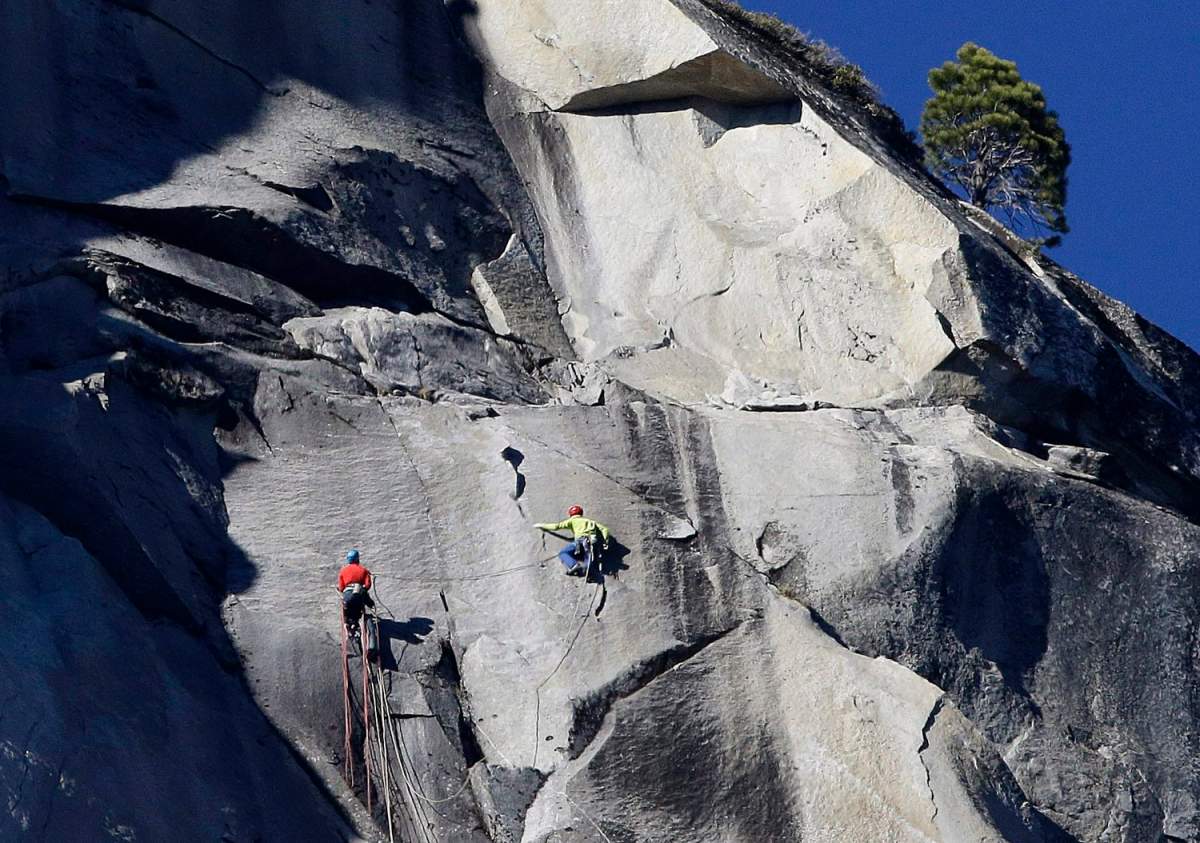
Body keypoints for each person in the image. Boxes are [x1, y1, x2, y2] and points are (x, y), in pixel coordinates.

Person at [534, 505, 612, 576]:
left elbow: (556, 526)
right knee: (588, 557)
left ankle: (573, 565)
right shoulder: (590, 521)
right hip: (591, 543)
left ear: (571, 514)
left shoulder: (572, 521)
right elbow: (605, 529)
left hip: (579, 542)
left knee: (563, 553)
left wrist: (541, 525)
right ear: (581, 513)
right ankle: (587, 569)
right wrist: (606, 541)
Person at [338, 549, 374, 637]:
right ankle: (355, 623)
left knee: (347, 606)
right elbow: (368, 585)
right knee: (358, 607)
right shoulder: (363, 570)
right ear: (358, 559)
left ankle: (346, 623)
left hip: (347, 594)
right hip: (359, 594)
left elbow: (341, 588)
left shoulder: (343, 571)